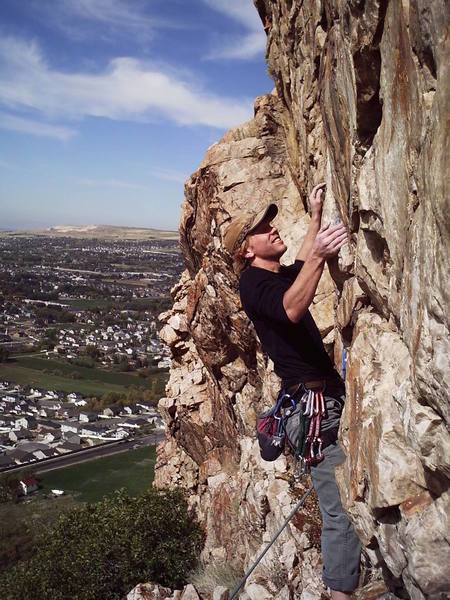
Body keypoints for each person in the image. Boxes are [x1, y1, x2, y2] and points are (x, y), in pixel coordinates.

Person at [223, 184, 362, 599]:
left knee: (348, 499)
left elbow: (302, 263)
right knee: (338, 509)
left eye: (271, 223)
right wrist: (320, 254)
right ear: (247, 250)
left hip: (324, 399)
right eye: (264, 229)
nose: (273, 229)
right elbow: (292, 307)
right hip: (313, 407)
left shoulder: (275, 274)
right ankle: (342, 594)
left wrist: (316, 215)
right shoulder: (252, 285)